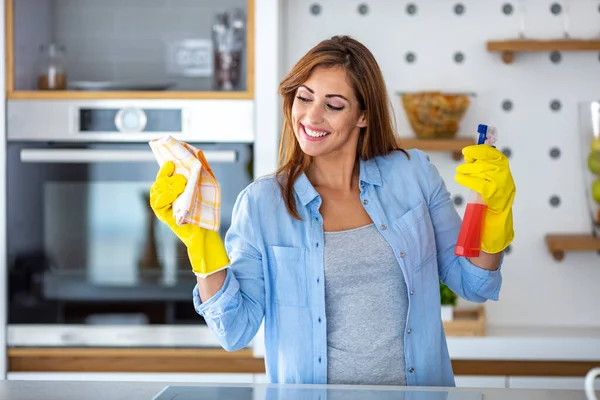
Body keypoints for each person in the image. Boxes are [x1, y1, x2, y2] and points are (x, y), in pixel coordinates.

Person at [149, 35, 516, 387]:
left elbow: (473, 283)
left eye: (334, 104)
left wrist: (495, 214)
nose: (311, 116)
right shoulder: (263, 204)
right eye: (304, 98)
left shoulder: (412, 176)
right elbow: (234, 331)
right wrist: (200, 242)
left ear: (363, 116)